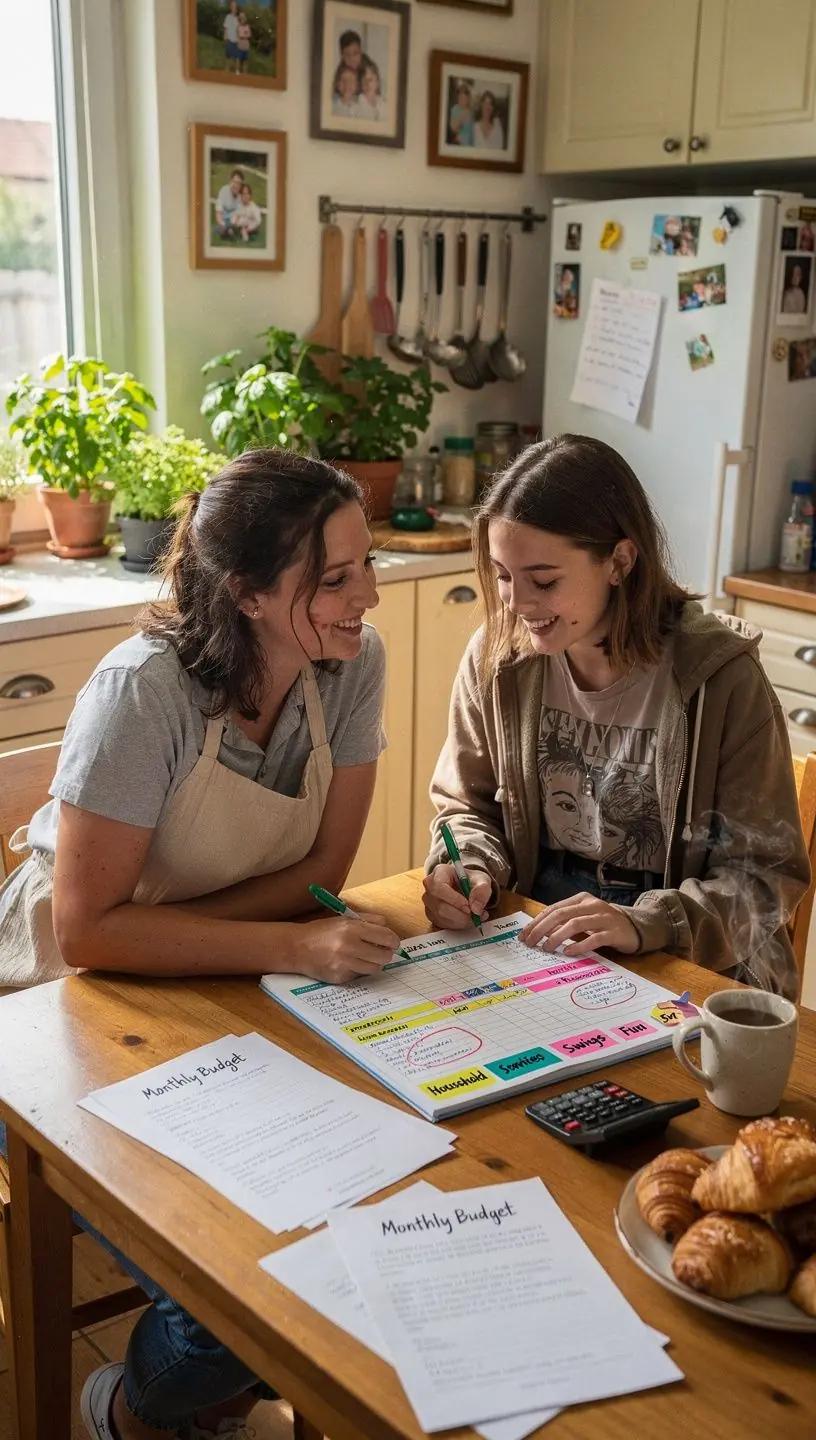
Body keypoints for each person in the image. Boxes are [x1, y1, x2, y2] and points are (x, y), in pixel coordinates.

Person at [0, 450, 398, 1439]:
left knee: (348, 1243)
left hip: (219, 997)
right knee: (231, 1315)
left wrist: (258, 937)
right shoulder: (146, 694)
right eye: (336, 577)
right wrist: (292, 945)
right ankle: (129, 1411)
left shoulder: (353, 665)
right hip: (57, 1018)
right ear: (247, 592)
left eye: (366, 564)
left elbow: (325, 875)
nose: (368, 597)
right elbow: (89, 934)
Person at [422, 434, 808, 1002]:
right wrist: (469, 865)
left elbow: (767, 881)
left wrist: (649, 923)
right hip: (541, 944)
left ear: (620, 562)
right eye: (503, 575)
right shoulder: (498, 658)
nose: (517, 604)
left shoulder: (723, 680)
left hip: (687, 963)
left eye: (544, 580)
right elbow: (465, 808)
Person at [214, 168, 244, 239]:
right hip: (223, 219)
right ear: (230, 182)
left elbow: (238, 216)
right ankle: (226, 230)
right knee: (221, 228)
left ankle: (229, 231)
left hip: (233, 221)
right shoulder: (223, 191)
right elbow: (218, 212)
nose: (235, 185)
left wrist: (232, 225)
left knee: (241, 219)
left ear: (241, 185)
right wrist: (222, 224)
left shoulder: (240, 196)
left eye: (238, 183)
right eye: (234, 182)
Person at [448, 81, 475, 146]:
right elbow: (454, 128)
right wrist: (461, 119)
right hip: (460, 143)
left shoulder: (471, 111)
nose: (461, 100)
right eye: (460, 98)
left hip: (469, 143)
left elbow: (472, 130)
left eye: (463, 98)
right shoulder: (455, 109)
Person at [222, 0, 240, 72]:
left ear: (236, 8)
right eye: (232, 6)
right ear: (230, 8)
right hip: (229, 40)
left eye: (235, 7)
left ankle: (237, 71)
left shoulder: (237, 19)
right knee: (228, 57)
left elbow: (238, 30)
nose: (233, 8)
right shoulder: (228, 17)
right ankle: (227, 70)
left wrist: (239, 40)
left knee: (237, 58)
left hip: (236, 41)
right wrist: (225, 37)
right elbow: (226, 28)